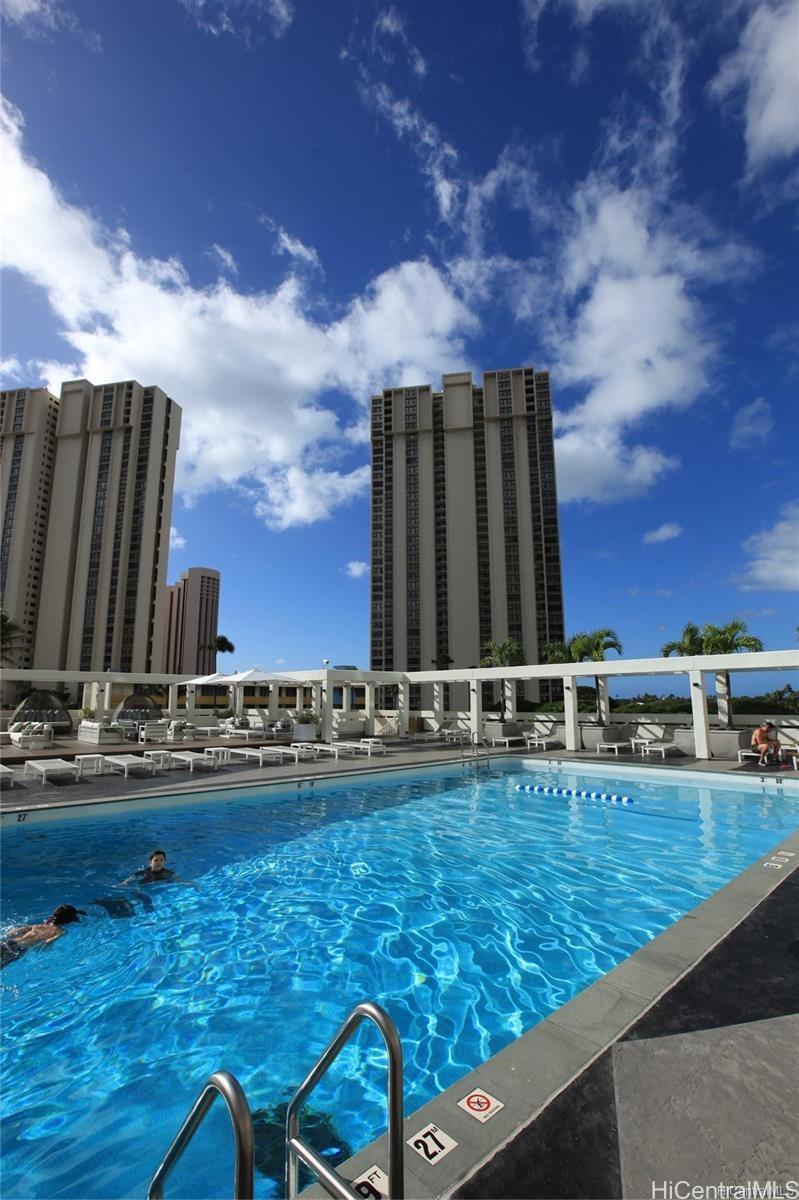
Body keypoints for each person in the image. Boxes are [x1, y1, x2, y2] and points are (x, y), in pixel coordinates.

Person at [1, 904, 86, 969]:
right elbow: (46, 944)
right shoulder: (60, 932)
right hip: (17, 950)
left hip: (9, 943)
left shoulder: (37, 926)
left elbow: (11, 932)